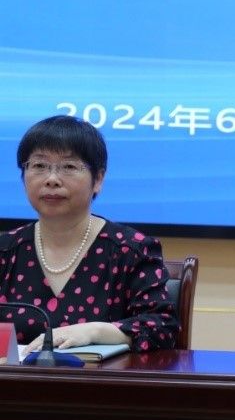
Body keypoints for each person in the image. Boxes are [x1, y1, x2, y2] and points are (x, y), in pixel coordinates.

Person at [1, 115, 179, 352]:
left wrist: (95, 331)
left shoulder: (131, 251)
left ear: (98, 179)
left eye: (69, 167)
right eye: (39, 166)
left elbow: (163, 329)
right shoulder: (5, 250)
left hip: (101, 377)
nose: (52, 179)